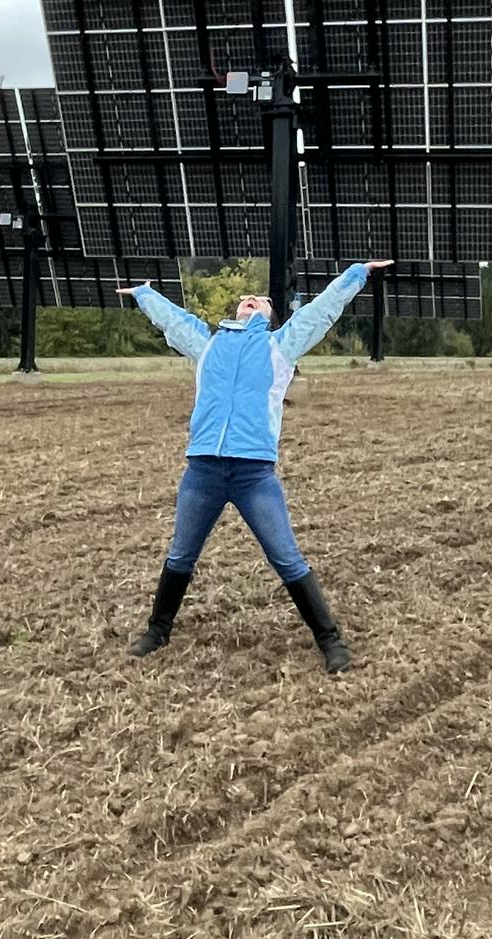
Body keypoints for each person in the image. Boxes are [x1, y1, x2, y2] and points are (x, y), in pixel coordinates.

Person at [118, 262, 392, 675]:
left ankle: (330, 641)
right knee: (180, 555)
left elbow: (321, 310)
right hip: (203, 471)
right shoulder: (208, 344)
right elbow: (174, 321)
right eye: (248, 299)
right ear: (236, 311)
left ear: (270, 317)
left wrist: (355, 274)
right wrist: (145, 294)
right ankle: (157, 632)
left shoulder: (281, 346)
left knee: (287, 558)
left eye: (263, 300)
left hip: (253, 477)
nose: (253, 299)